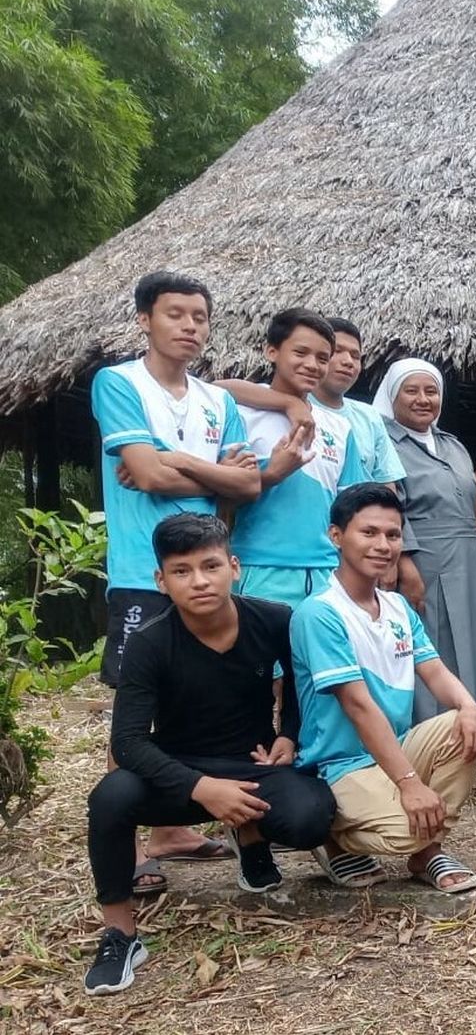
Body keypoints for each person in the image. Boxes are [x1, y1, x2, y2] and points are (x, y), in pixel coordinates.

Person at [84, 514, 335, 995]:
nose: (199, 581)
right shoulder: (149, 642)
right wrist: (202, 787)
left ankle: (251, 837)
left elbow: (301, 681)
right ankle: (120, 933)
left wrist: (289, 734)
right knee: (111, 797)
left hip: (253, 763)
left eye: (210, 565)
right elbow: (129, 742)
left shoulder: (274, 619)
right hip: (179, 770)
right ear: (161, 580)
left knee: (310, 818)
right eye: (181, 571)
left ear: (233, 567)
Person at [91, 271, 262, 882]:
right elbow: (144, 474)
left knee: (195, 694)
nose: (190, 326)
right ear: (145, 319)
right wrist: (208, 472)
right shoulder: (119, 383)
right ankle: (131, 846)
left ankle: (169, 831)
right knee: (134, 705)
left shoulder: (219, 401)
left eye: (200, 317)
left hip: (208, 567)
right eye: (175, 314)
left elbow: (248, 483)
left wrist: (175, 461)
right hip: (145, 569)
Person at [293, 484, 476, 894]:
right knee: (406, 832)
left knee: (462, 727)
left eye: (393, 534)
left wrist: (470, 707)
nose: (383, 545)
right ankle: (334, 837)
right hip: (341, 764)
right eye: (369, 533)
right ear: (336, 536)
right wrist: (410, 784)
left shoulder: (397, 606)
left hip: (395, 747)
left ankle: (427, 853)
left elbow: (435, 672)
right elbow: (358, 707)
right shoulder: (321, 613)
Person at [376, 358, 476, 747]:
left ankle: (471, 734)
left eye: (431, 391)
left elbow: (473, 496)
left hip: (465, 561)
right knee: (426, 647)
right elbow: (388, 506)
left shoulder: (453, 444)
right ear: (392, 396)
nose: (423, 399)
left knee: (474, 645)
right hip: (421, 559)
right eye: (411, 391)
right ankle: (426, 742)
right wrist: (403, 562)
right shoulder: (384, 442)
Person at [230, 308, 367, 610]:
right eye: (300, 353)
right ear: (271, 351)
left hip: (328, 573)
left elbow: (353, 509)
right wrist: (288, 404)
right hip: (259, 566)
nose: (312, 365)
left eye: (322, 358)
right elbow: (222, 493)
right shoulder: (240, 414)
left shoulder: (340, 428)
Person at [220, 317, 405, 487]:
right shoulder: (248, 406)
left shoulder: (353, 423)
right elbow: (215, 389)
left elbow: (381, 481)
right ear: (272, 352)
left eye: (356, 356)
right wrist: (290, 403)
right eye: (337, 351)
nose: (348, 361)